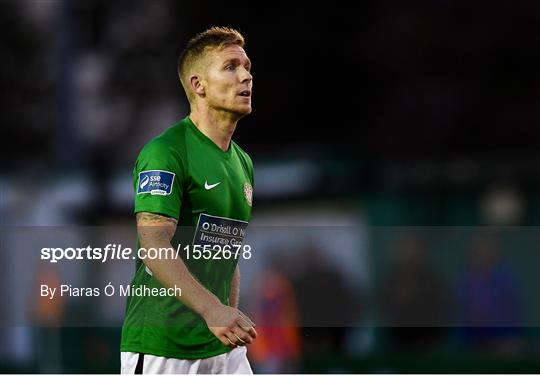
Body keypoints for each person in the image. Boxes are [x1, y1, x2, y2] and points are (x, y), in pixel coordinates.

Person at [120, 27, 257, 374]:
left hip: (222, 351)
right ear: (199, 85)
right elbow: (152, 242)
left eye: (247, 67)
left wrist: (227, 317)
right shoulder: (166, 152)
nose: (246, 76)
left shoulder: (242, 163)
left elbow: (228, 251)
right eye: (230, 67)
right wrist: (213, 310)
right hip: (163, 349)